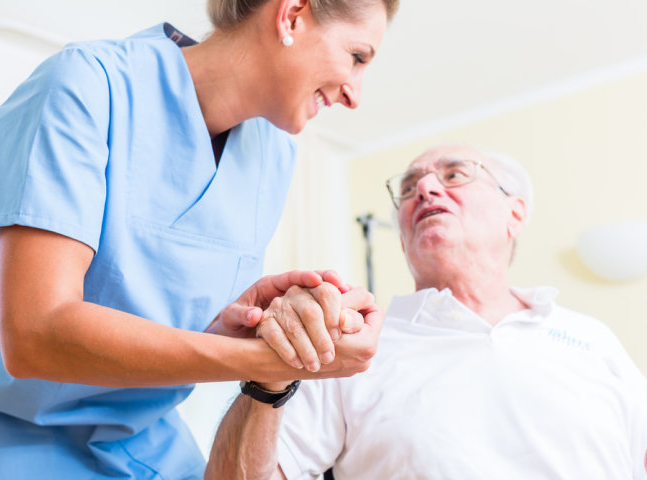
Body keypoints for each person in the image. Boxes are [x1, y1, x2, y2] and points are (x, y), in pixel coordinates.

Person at [0, 0, 400, 478]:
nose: (355, 96)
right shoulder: (88, 84)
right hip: (3, 433)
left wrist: (250, 325)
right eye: (358, 56)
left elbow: (150, 313)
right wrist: (270, 361)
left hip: (145, 445)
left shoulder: (272, 155)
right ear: (291, 14)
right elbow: (35, 334)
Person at [205, 143, 647, 479]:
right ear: (402, 239)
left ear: (515, 214)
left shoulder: (593, 339)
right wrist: (270, 374)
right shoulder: (348, 349)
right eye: (409, 188)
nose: (426, 189)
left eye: (455, 175)